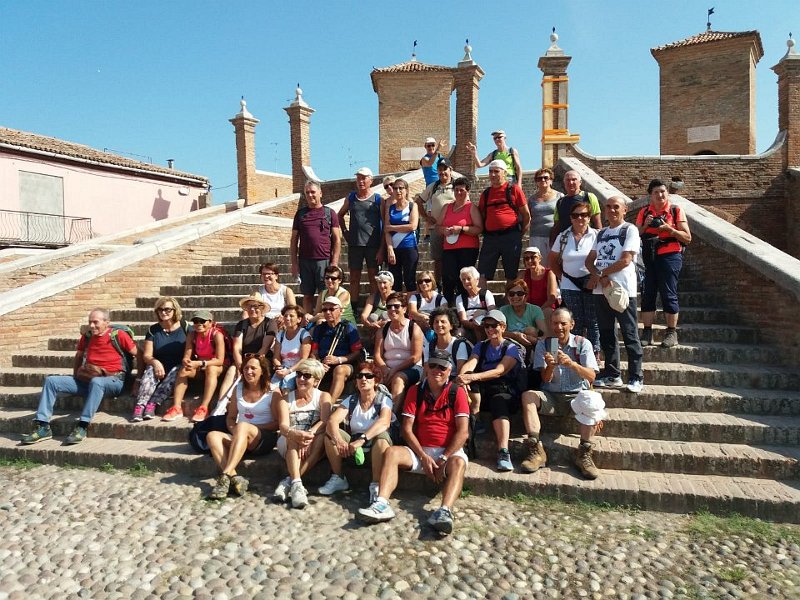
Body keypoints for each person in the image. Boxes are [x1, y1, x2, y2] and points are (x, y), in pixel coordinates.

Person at [357, 350, 469, 534]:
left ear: (449, 370)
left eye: (442, 367)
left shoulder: (457, 393)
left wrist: (443, 457)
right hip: (420, 450)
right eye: (432, 365)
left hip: (447, 451)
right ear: (426, 367)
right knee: (392, 452)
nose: (437, 370)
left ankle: (444, 511)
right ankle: (382, 503)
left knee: (458, 463)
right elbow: (406, 429)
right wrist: (423, 456)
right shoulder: (415, 391)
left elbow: (463, 432)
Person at [22, 308, 138, 445]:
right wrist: (76, 376)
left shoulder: (118, 335)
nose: (92, 325)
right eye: (90, 322)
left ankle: (82, 425)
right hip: (88, 380)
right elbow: (78, 356)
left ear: (107, 322)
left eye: (96, 322)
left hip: (114, 381)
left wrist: (139, 379)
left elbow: (139, 354)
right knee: (51, 381)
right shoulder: (87, 336)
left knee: (97, 382)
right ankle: (42, 426)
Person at [520, 307, 602, 478]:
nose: (559, 328)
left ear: (571, 324)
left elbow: (592, 376)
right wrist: (550, 366)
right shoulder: (544, 344)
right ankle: (536, 450)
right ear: (550, 324)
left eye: (563, 324)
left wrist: (572, 364)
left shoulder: (583, 343)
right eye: (555, 323)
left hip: (577, 398)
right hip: (551, 396)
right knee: (528, 396)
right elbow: (545, 379)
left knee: (592, 399)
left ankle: (584, 453)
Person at [585, 196, 645, 394]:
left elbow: (626, 259)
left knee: (629, 333)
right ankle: (612, 374)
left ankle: (636, 376)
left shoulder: (630, 230)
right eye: (608, 207)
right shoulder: (601, 233)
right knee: (606, 333)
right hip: (601, 290)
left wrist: (601, 274)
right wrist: (597, 275)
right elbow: (589, 260)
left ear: (624, 210)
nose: (611, 210)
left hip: (622, 290)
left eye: (616, 207)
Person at [456, 310, 523, 472]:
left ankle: (503, 452)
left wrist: (472, 377)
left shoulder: (512, 348)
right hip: (485, 390)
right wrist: (463, 376)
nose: (489, 329)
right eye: (486, 326)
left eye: (494, 325)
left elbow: (500, 371)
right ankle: (467, 439)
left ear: (503, 327)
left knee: (498, 401)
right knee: (463, 386)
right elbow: (471, 363)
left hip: (506, 391)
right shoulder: (481, 345)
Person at [206, 354, 280, 500]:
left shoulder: (273, 391)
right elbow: (231, 417)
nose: (248, 371)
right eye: (246, 368)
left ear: (263, 371)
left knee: (243, 426)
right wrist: (234, 428)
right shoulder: (238, 389)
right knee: (212, 436)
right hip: (240, 436)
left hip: (263, 438)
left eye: (253, 368)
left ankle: (224, 476)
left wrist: (246, 428)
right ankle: (234, 476)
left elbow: (277, 423)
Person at [320, 361, 394, 502]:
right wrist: (339, 440)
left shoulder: (384, 400)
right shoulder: (351, 400)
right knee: (329, 435)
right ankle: (338, 477)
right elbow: (332, 421)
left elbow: (384, 422)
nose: (363, 379)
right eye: (359, 376)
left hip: (374, 448)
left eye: (368, 376)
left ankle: (376, 484)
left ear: (376, 381)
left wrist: (362, 440)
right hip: (352, 449)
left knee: (382, 437)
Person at [636, 178, 692, 348]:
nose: (660, 195)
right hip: (648, 255)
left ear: (667, 193)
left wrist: (670, 229)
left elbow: (687, 238)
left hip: (670, 254)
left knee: (669, 292)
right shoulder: (644, 212)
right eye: (656, 192)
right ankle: (647, 332)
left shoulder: (675, 210)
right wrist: (645, 226)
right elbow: (635, 234)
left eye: (662, 191)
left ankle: (671, 332)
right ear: (650, 196)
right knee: (648, 293)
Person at [273, 358, 331, 509]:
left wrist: (308, 435)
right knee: (292, 436)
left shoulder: (323, 396)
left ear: (316, 380)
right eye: (299, 375)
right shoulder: (285, 400)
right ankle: (297, 484)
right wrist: (296, 435)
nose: (301, 379)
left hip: (312, 440)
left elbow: (325, 421)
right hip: (289, 442)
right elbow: (283, 426)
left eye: (307, 376)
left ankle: (289, 482)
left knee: (321, 438)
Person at [549, 200, 600, 355]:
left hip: (591, 282)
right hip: (569, 284)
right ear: (571, 218)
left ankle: (594, 353)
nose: (580, 218)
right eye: (576, 215)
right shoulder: (563, 237)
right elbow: (552, 260)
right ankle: (575, 353)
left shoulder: (597, 236)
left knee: (593, 321)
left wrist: (595, 277)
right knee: (574, 321)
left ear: (589, 217)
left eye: (584, 215)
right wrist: (563, 278)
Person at [217, 292, 278, 414]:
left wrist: (250, 363)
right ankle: (221, 404)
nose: (252, 309)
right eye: (250, 306)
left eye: (256, 306)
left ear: (262, 309)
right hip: (244, 359)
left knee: (254, 370)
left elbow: (265, 348)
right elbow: (237, 346)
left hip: (262, 359)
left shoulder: (269, 323)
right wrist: (240, 364)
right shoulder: (242, 324)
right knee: (232, 371)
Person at [163, 310, 229, 422]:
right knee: (184, 370)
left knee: (211, 369)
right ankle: (177, 407)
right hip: (200, 366)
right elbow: (187, 355)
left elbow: (219, 360)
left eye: (202, 321)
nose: (199, 324)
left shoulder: (217, 335)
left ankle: (204, 407)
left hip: (217, 366)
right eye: (196, 321)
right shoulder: (192, 335)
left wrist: (200, 363)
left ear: (210, 322)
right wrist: (187, 361)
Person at [476, 159, 530, 287]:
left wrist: (519, 234)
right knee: (482, 272)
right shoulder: (486, 193)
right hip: (491, 238)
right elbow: (481, 214)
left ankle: (509, 303)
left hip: (511, 236)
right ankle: (483, 301)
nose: (493, 174)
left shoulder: (514, 189)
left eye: (496, 171)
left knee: (511, 273)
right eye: (490, 172)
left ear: (504, 173)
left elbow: (526, 214)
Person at [131, 297, 187, 422]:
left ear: (175, 310)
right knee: (150, 370)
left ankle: (153, 403)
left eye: (167, 309)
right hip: (159, 365)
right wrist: (155, 362)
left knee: (177, 371)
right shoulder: (153, 330)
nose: (163, 312)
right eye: (160, 310)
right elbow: (147, 356)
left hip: (178, 366)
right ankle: (140, 406)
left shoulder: (185, 327)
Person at [291, 181, 342, 315]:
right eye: (307, 192)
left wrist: (334, 263)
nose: (310, 195)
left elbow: (337, 239)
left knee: (324, 294)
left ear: (320, 193)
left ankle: (321, 321)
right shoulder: (300, 214)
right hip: (305, 261)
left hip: (323, 260)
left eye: (313, 192)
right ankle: (308, 323)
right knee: (307, 295)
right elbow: (294, 240)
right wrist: (294, 264)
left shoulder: (329, 213)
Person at [338, 167, 384, 306]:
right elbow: (339, 215)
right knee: (354, 277)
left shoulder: (377, 199)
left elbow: (385, 223)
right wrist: (345, 232)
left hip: (372, 244)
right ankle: (354, 306)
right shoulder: (351, 198)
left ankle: (374, 305)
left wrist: (382, 248)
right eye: (358, 178)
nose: (361, 181)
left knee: (373, 277)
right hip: (355, 244)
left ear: (371, 180)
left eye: (364, 178)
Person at [373, 292, 423, 406]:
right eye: (389, 306)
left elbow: (416, 357)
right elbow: (377, 355)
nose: (392, 309)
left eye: (396, 306)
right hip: (387, 367)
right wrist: (385, 369)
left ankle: (392, 416)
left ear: (404, 309)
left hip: (412, 368)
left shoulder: (413, 328)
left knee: (398, 379)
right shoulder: (383, 330)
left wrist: (395, 370)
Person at [438, 176, 482, 303]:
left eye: (462, 190)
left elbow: (479, 229)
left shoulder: (471, 208)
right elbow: (437, 226)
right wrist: (443, 230)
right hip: (449, 249)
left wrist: (462, 229)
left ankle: (465, 306)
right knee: (448, 278)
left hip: (468, 249)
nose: (458, 193)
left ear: (467, 191)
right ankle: (448, 307)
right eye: (456, 190)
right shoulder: (447, 207)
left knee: (464, 279)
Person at [310, 296, 363, 403]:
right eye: (325, 310)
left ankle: (329, 404)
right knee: (307, 369)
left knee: (340, 370)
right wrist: (318, 364)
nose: (328, 312)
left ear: (340, 311)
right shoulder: (319, 329)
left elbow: (357, 352)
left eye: (332, 309)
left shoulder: (348, 328)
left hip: (345, 364)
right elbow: (314, 352)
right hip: (324, 364)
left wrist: (338, 360)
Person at [416, 158, 455, 287]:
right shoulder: (433, 186)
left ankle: (453, 285)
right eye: (440, 169)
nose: (442, 172)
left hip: (453, 229)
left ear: (450, 170)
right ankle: (438, 285)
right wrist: (426, 217)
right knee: (438, 259)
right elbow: (419, 201)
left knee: (452, 258)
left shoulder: (457, 185)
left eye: (445, 169)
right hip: (436, 228)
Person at [549, 170, 602, 246]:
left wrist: (600, 242)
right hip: (566, 242)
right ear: (564, 183)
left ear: (580, 182)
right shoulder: (560, 202)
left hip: (586, 240)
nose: (571, 183)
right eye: (568, 180)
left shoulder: (589, 197)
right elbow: (557, 226)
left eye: (574, 179)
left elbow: (597, 222)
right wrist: (552, 244)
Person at [384, 179, 419, 292]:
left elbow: (412, 226)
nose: (398, 191)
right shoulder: (390, 208)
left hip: (409, 247)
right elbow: (386, 229)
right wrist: (389, 248)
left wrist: (393, 227)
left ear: (406, 190)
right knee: (395, 281)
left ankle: (412, 307)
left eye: (401, 188)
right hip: (394, 249)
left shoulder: (412, 206)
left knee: (410, 279)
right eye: (395, 188)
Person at [271, 305, 312, 391]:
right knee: (272, 388)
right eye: (285, 316)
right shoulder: (280, 335)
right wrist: (279, 367)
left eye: (291, 316)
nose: (287, 318)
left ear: (299, 319)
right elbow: (276, 357)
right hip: (283, 368)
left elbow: (304, 360)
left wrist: (288, 371)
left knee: (286, 384)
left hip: (298, 369)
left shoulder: (304, 335)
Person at [422, 307, 471, 377]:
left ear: (451, 326)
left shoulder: (459, 345)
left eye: (443, 322)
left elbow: (460, 374)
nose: (439, 324)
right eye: (436, 322)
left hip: (453, 382)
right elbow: (426, 372)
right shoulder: (429, 346)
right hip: (435, 381)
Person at [499, 279, 546, 353]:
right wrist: (516, 335)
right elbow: (499, 332)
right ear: (508, 297)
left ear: (526, 296)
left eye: (519, 293)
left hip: (531, 344)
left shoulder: (535, 309)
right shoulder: (503, 310)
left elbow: (544, 334)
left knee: (531, 330)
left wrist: (527, 338)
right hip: (510, 345)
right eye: (511, 294)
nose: (515, 296)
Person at [528, 167, 563, 265]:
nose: (543, 180)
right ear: (536, 182)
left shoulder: (560, 196)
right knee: (539, 265)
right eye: (539, 178)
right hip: (536, 236)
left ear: (551, 180)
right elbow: (527, 217)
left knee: (555, 265)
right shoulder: (531, 199)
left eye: (545, 178)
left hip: (555, 236)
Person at [455, 266, 496, 342]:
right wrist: (475, 325)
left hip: (485, 324)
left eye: (468, 279)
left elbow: (492, 312)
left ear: (477, 280)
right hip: (469, 326)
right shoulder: (460, 298)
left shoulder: (486, 294)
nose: (466, 282)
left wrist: (480, 323)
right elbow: (463, 320)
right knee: (458, 333)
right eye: (463, 280)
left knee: (479, 315)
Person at [407, 270, 448, 339]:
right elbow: (412, 312)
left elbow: (445, 314)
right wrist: (422, 317)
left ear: (432, 282)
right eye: (420, 282)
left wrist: (431, 320)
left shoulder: (440, 299)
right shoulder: (414, 298)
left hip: (436, 326)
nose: (423, 283)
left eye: (427, 281)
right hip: (419, 327)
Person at [521, 246, 559, 315]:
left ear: (539, 258)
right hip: (528, 309)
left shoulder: (549, 273)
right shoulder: (522, 274)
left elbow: (552, 298)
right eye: (527, 258)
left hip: (546, 307)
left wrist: (537, 311)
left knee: (548, 312)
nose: (529, 261)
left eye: (533, 257)